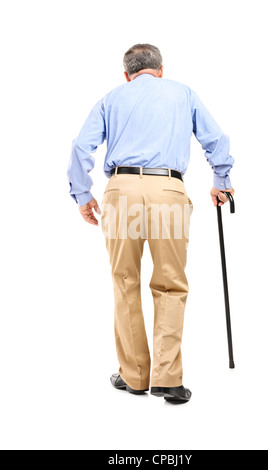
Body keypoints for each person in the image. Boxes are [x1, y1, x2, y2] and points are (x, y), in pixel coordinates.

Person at [67, 43, 235, 404]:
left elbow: (82, 148)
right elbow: (216, 140)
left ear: (127, 74)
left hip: (121, 192)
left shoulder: (111, 98)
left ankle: (136, 376)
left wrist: (83, 195)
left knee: (125, 281)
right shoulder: (183, 92)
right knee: (171, 284)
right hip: (168, 189)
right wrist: (221, 181)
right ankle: (168, 378)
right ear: (161, 69)